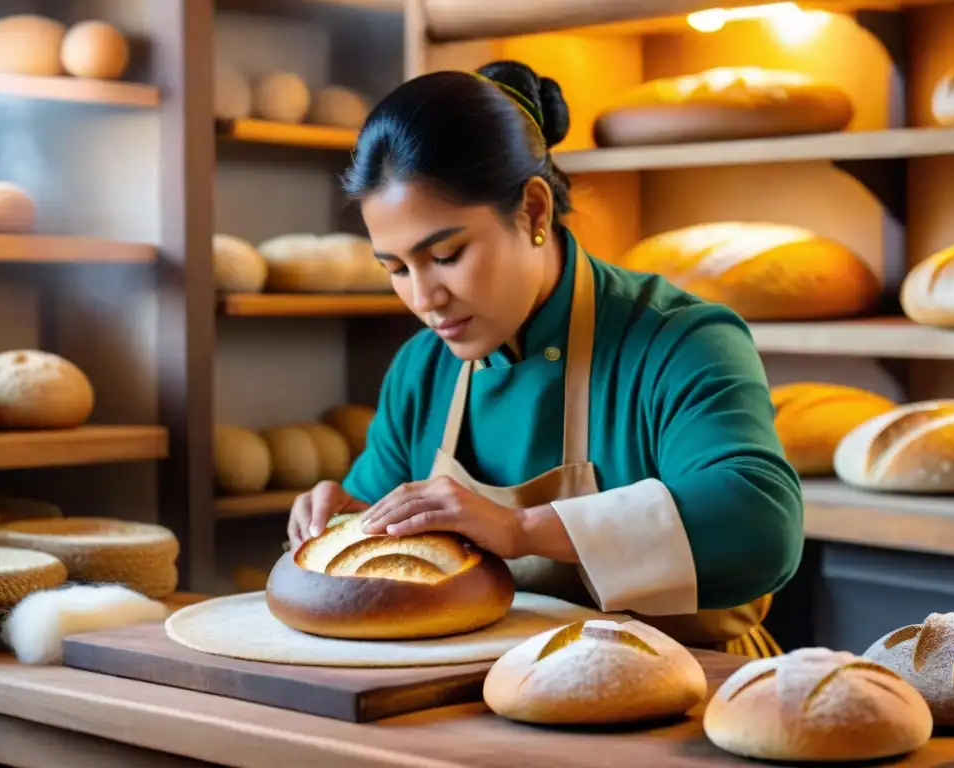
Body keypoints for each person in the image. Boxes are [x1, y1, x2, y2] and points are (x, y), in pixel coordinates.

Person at [287, 60, 805, 658]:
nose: (424, 299)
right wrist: (346, 520)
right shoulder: (421, 370)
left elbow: (762, 523)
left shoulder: (679, 340)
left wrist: (520, 528)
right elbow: (380, 537)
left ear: (533, 212)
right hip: (482, 700)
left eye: (448, 254)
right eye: (397, 269)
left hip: (690, 697)